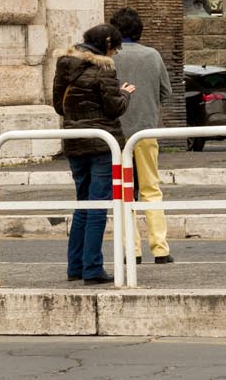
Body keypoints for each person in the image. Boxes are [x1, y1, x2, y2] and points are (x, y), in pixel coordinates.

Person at [52, 23, 135, 283]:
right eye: (116, 47)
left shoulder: (64, 65)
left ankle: (75, 266)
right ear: (108, 43)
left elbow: (58, 106)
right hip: (101, 144)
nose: (115, 52)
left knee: (83, 203)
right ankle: (92, 268)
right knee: (98, 204)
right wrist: (125, 93)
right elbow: (114, 108)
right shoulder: (104, 69)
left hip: (74, 142)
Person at [110, 7, 176, 265]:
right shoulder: (152, 55)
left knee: (124, 190)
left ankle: (132, 249)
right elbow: (166, 92)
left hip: (117, 134)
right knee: (151, 188)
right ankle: (160, 248)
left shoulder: (110, 58)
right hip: (146, 130)